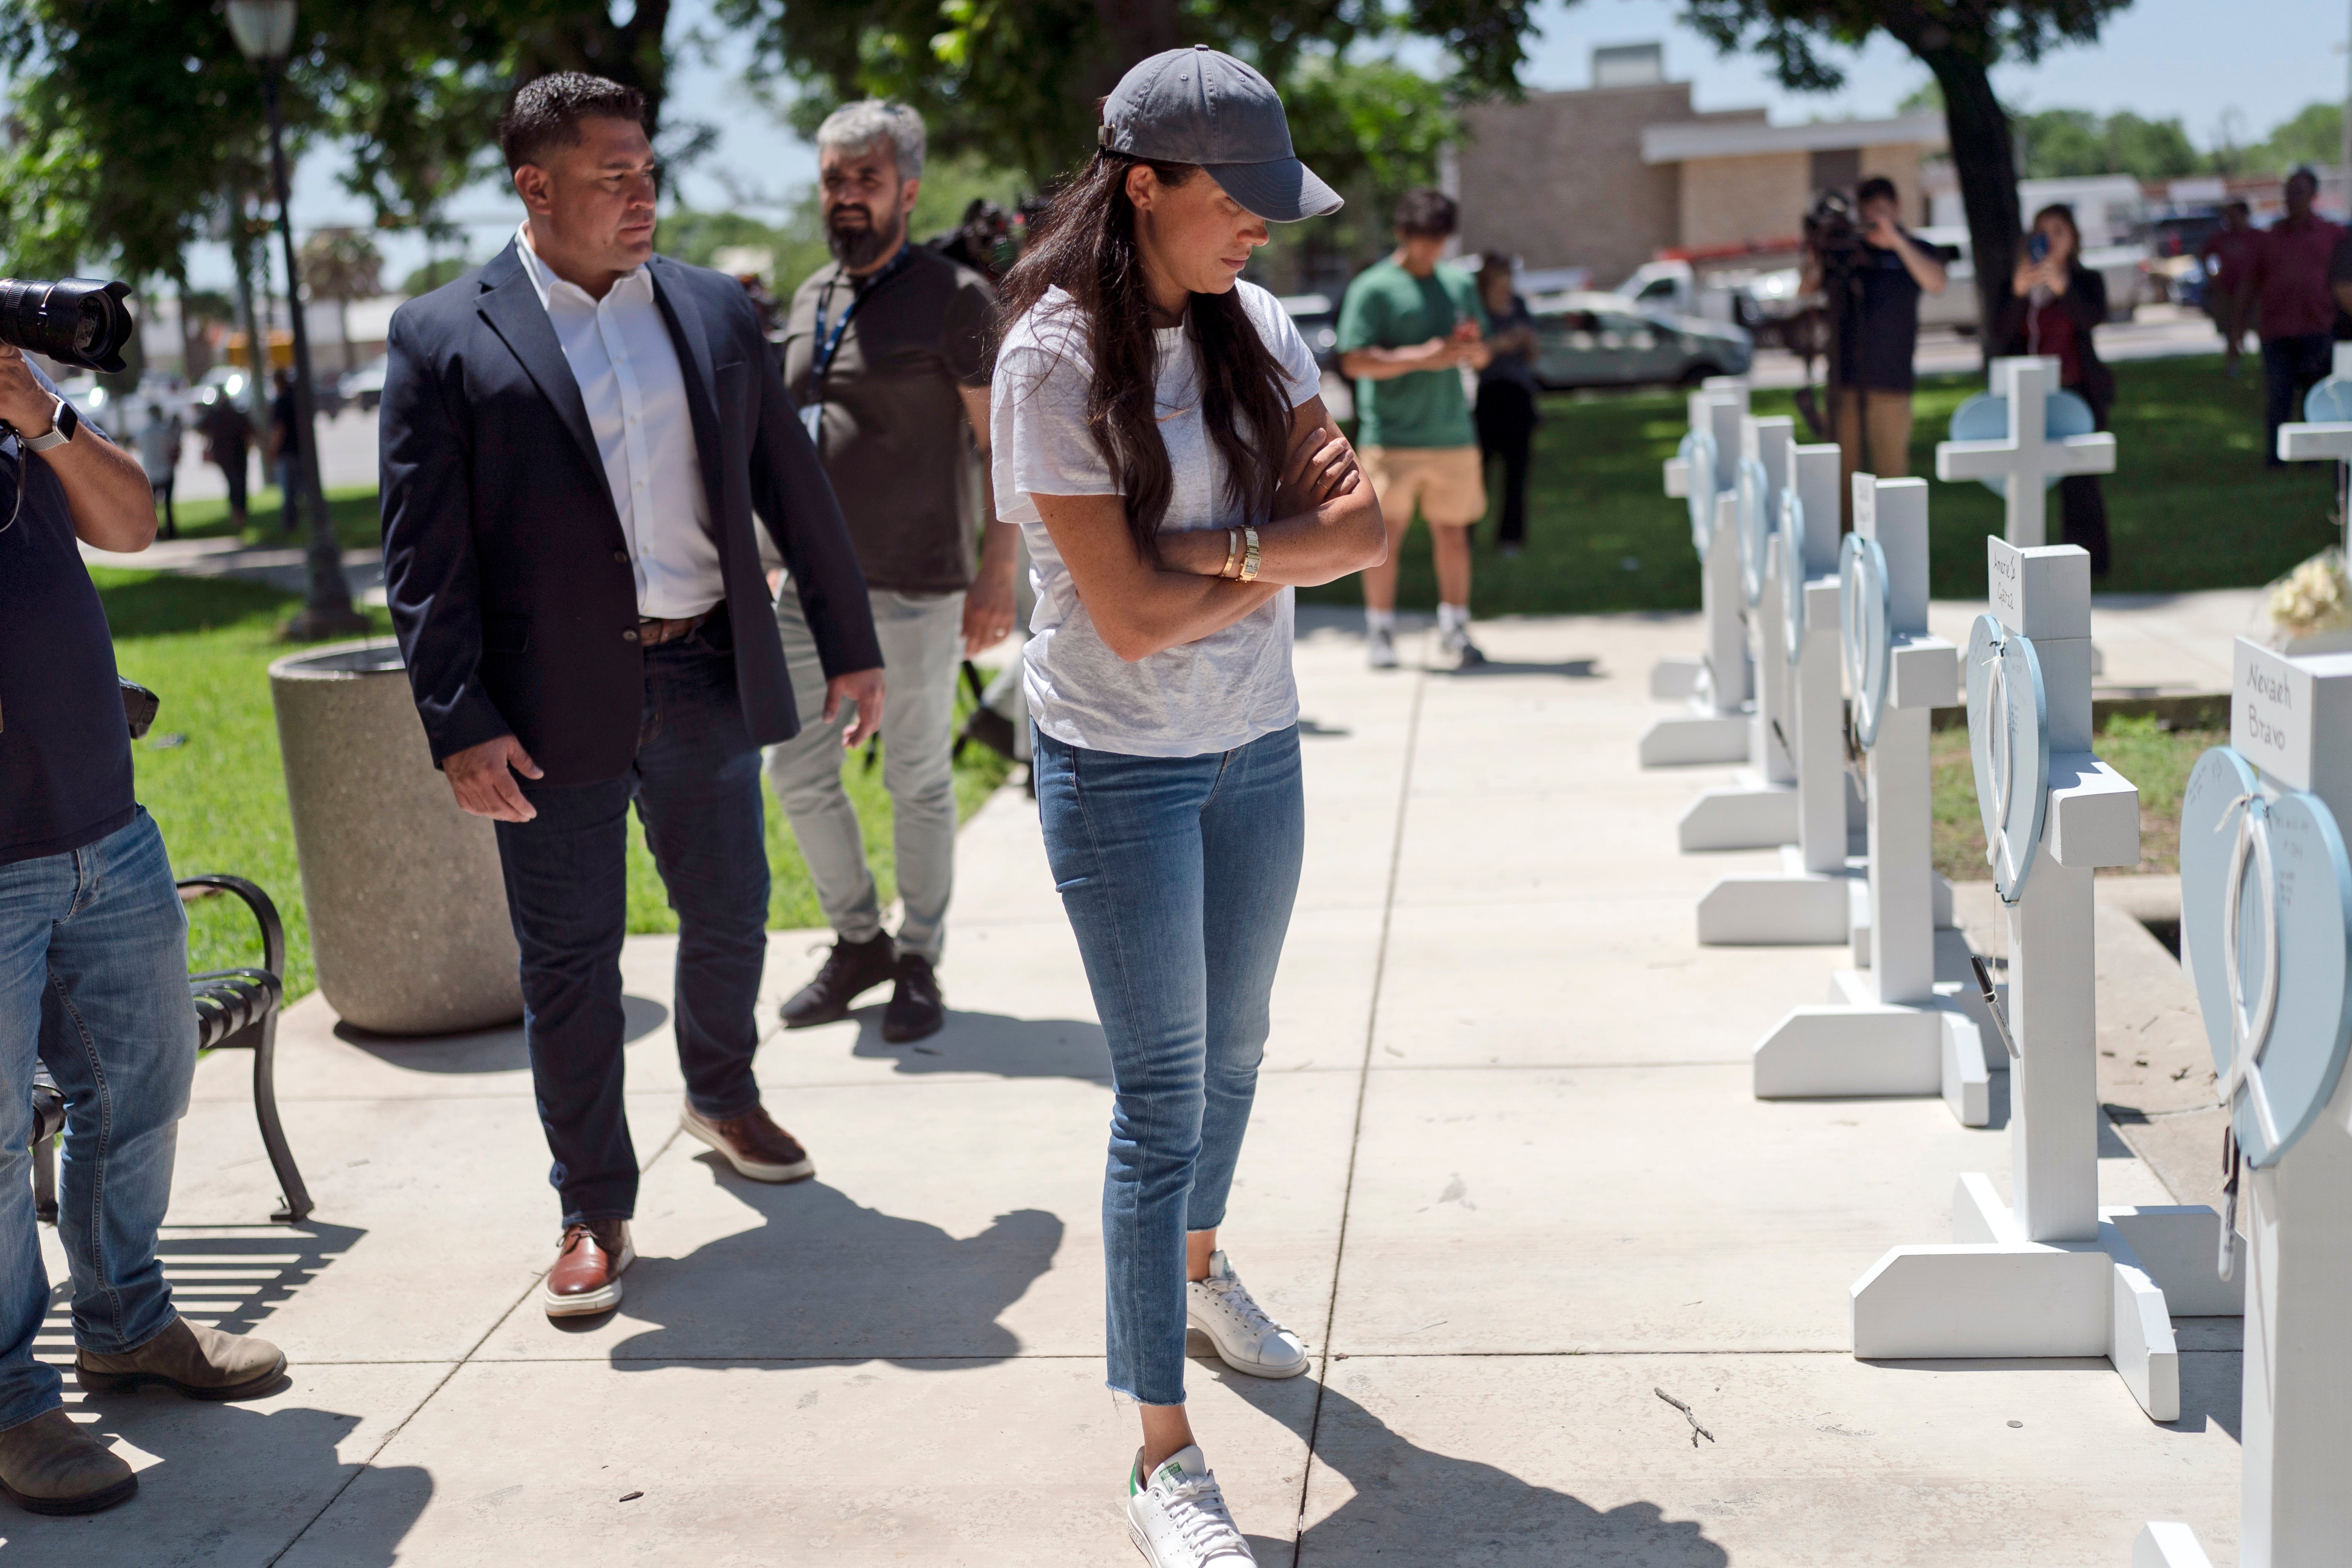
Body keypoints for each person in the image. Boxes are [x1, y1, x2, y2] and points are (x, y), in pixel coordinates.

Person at [379, 72, 886, 1322]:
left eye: (649, 171)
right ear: (535, 187)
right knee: (570, 960)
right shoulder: (445, 334)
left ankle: (720, 1091)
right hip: (546, 705)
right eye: (612, 177)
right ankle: (592, 1205)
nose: (642, 195)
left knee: (731, 913)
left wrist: (851, 640)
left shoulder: (715, 309)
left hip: (708, 665)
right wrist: (457, 719)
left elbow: (792, 489)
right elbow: (421, 554)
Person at [992, 46, 1383, 1566]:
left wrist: (1215, 552)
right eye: (1239, 201)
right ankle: (1159, 1451)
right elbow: (1125, 624)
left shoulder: (1254, 321)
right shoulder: (1047, 359)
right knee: (1159, 1099)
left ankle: (1200, 1274)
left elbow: (1358, 527)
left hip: (1255, 748)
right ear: (1142, 187)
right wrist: (1263, 550)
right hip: (1116, 771)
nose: (1264, 232)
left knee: (1238, 1049)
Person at [0, 347, 287, 1518]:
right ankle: (11, 1398)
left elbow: (131, 523)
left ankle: (123, 1321)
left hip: (104, 833)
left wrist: (41, 414)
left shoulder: (16, 423)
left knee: (146, 1080)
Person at [765, 100, 1019, 1045]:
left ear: (907, 190)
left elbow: (1005, 449)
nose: (846, 196)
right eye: (834, 179)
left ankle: (919, 958)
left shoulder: (955, 298)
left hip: (918, 581)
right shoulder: (810, 297)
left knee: (915, 776)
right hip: (806, 589)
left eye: (864, 179)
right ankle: (857, 939)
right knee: (795, 770)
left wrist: (999, 572)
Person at [1338, 188, 1489, 669]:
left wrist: (1471, 352)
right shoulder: (1374, 288)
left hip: (1452, 433)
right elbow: (1355, 361)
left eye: (1440, 241)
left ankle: (1456, 626)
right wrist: (1419, 357)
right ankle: (1380, 632)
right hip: (1392, 437)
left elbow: (1482, 351)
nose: (1433, 251)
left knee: (1454, 534)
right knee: (1383, 538)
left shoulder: (1458, 284)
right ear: (1403, 234)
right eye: (1425, 240)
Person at [1801, 174, 1947, 525]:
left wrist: (1895, 241)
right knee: (1843, 477)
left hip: (1891, 383)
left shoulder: (1915, 248)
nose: (1876, 218)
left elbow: (1936, 282)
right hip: (1844, 381)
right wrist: (1816, 247)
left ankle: (1895, 547)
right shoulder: (1848, 251)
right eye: (1869, 211)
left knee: (1891, 474)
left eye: (1883, 209)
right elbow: (1806, 289)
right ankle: (1847, 550)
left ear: (1897, 208)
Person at [1995, 204, 2116, 576]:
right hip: (2027, 396)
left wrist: (2063, 286)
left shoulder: (2087, 280)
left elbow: (2091, 318)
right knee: (2024, 481)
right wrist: (2017, 293)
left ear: (2074, 239)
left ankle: (2085, 564)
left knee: (2080, 483)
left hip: (2075, 390)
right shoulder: (2015, 284)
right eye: (2042, 231)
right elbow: (1998, 335)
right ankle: (2023, 563)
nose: (2049, 239)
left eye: (2059, 231)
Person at [2252, 168, 2344, 467]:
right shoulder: (2271, 237)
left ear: (2313, 196)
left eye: (2298, 192)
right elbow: (2251, 284)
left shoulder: (2332, 234)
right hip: (2277, 331)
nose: (2291, 199)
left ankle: (2313, 457)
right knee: (2278, 396)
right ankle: (2275, 458)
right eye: (2288, 192)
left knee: (2316, 396)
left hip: (2317, 327)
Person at [1472, 252, 1540, 556]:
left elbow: (1534, 353)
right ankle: (1466, 535)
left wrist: (1524, 340)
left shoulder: (1520, 306)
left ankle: (1511, 538)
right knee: (1477, 473)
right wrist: (1501, 343)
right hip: (1488, 396)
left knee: (1517, 473)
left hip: (1519, 395)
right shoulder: (1478, 309)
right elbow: (1476, 355)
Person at [2199, 199, 2261, 376]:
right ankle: (2233, 365)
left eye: (2234, 216)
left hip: (2254, 292)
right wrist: (2212, 275)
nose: (2230, 220)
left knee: (2261, 326)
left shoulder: (2257, 236)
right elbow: (2204, 253)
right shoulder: (2222, 237)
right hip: (2228, 291)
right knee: (2231, 328)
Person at [195, 387, 252, 529]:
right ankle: (240, 513)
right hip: (238, 455)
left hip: (225, 456)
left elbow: (200, 427)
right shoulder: (236, 415)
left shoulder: (216, 415)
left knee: (233, 484)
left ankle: (238, 513)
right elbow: (250, 431)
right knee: (240, 484)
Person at [133, 400, 182, 540]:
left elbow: (138, 447)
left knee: (153, 505)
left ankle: (156, 533)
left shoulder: (142, 433)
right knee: (168, 504)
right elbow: (173, 446)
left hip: (151, 472)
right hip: (165, 470)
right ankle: (171, 531)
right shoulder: (164, 431)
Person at [267, 367, 300, 531]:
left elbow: (279, 429)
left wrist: (273, 449)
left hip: (287, 451)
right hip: (299, 450)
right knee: (298, 489)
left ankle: (289, 524)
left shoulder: (282, 401)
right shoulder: (295, 398)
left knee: (288, 491)